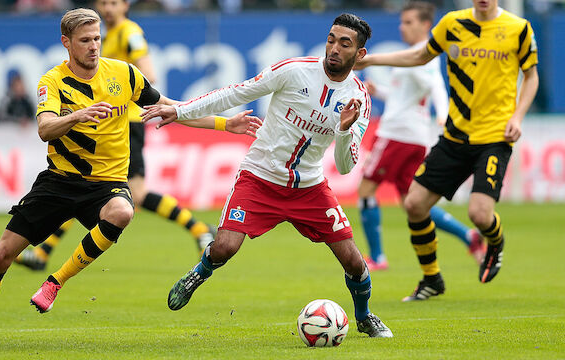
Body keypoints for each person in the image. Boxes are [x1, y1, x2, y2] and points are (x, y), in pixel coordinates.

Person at [0, 8, 261, 346]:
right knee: (0, 255)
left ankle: (55, 282)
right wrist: (77, 116)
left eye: (97, 39)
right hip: (59, 182)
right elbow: (44, 129)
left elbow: (168, 108)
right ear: (66, 43)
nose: (94, 46)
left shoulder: (124, 73)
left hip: (106, 184)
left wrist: (226, 124)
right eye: (85, 41)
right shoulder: (53, 81)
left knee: (124, 210)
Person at [141, 13, 393, 338]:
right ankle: (200, 272)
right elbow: (235, 92)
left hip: (310, 187)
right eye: (331, 39)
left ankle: (364, 316)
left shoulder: (357, 99)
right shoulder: (294, 70)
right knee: (224, 248)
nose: (334, 48)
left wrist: (344, 131)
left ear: (359, 55)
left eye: (345, 44)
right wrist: (180, 111)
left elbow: (346, 166)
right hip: (259, 177)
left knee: (355, 262)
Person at [355, 0, 539, 301]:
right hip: (455, 137)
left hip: (494, 136)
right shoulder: (453, 24)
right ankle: (432, 279)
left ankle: (495, 240)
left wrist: (518, 116)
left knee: (480, 214)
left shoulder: (518, 29)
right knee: (414, 204)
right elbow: (421, 55)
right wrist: (372, 60)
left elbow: (531, 76)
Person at [14, 0, 217, 271]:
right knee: (81, 181)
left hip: (124, 122)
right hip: (105, 121)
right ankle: (44, 252)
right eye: (103, 3)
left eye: (114, 3)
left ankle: (199, 229)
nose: (108, 8)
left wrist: (125, 85)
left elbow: (150, 72)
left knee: (124, 191)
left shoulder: (128, 32)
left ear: (125, 6)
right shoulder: (105, 38)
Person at [357, 1, 484, 271]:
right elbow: (408, 97)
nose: (402, 27)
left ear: (426, 25)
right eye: (402, 22)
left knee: (366, 189)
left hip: (396, 134)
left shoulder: (420, 55)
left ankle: (377, 257)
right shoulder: (416, 56)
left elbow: (436, 86)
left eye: (409, 22)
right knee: (411, 202)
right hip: (415, 138)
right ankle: (468, 235)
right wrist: (378, 90)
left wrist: (443, 113)